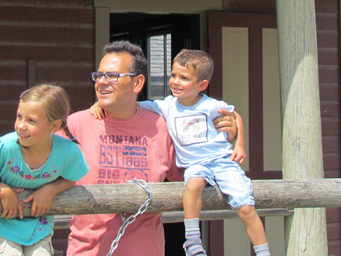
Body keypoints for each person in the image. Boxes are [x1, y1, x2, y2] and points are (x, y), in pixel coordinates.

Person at [63, 41, 236, 256]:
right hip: (87, 251)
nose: (102, 82)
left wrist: (224, 137)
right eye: (99, 75)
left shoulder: (161, 126)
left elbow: (195, 172)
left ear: (138, 83)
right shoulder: (75, 126)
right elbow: (36, 167)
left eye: (113, 76)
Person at [92, 49, 270, 256]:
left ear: (202, 85)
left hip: (222, 161)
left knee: (245, 206)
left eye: (184, 78)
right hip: (195, 165)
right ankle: (193, 240)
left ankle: (263, 251)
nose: (176, 81)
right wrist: (101, 102)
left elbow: (235, 115)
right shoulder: (167, 106)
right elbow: (131, 103)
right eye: (173, 75)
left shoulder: (210, 105)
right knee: (193, 185)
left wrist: (239, 145)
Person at [0, 84, 89, 255]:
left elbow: (71, 178)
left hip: (38, 228)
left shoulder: (68, 152)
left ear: (54, 126)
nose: (21, 126)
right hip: (1, 226)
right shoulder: (5, 146)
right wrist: (2, 191)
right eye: (19, 117)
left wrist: (50, 189)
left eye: (31, 120)